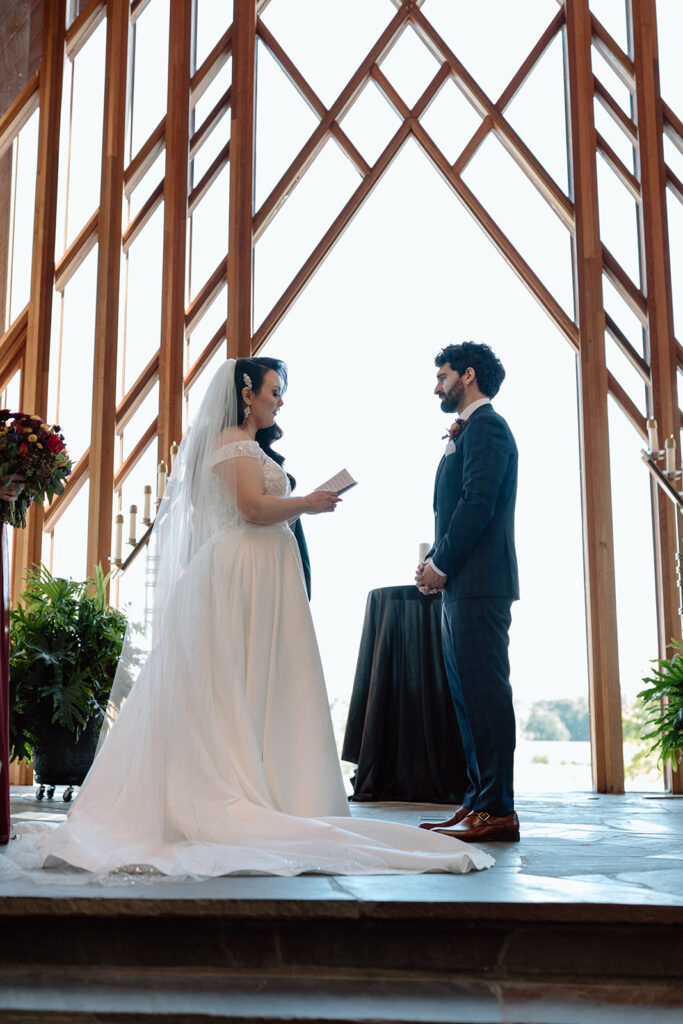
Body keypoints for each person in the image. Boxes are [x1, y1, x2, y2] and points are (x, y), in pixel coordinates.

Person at [2, 358, 492, 878]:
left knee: (262, 681)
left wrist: (303, 504)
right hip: (242, 572)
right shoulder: (233, 445)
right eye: (274, 391)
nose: (279, 401)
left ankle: (278, 783)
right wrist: (308, 502)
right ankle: (235, 790)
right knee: (234, 680)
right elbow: (251, 508)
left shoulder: (247, 446)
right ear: (246, 393)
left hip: (260, 571)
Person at [416, 342, 520, 843]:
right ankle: (479, 802)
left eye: (443, 376)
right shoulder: (468, 431)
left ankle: (498, 808)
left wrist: (441, 563)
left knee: (486, 694)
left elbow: (477, 503)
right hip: (463, 584)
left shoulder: (489, 428)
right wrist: (435, 564)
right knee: (467, 697)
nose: (437, 386)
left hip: (480, 583)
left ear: (468, 375)